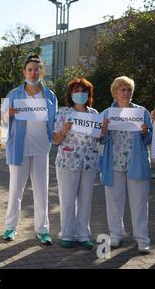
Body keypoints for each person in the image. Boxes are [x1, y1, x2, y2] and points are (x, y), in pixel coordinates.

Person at [2, 54, 57, 245]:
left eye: (37, 69)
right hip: (19, 148)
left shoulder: (49, 95)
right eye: (30, 69)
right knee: (15, 190)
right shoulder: (13, 94)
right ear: (24, 72)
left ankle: (42, 230)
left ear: (42, 72)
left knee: (41, 191)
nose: (33, 73)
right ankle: (10, 227)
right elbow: (2, 120)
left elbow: (55, 120)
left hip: (41, 148)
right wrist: (7, 115)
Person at [99, 76, 152, 254]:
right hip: (113, 164)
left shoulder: (142, 112)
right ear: (115, 92)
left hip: (137, 163)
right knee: (114, 201)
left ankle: (142, 239)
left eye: (129, 89)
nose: (126, 93)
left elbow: (150, 138)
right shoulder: (106, 113)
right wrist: (103, 131)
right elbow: (100, 140)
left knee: (139, 202)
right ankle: (115, 234)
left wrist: (146, 131)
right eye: (122, 89)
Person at [52, 78, 101, 250]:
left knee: (86, 200)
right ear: (71, 94)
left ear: (88, 95)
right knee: (67, 200)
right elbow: (55, 141)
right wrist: (64, 130)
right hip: (67, 162)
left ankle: (83, 234)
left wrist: (102, 133)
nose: (80, 94)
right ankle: (66, 234)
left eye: (83, 91)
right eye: (76, 91)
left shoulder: (95, 114)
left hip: (88, 163)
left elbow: (100, 139)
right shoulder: (63, 113)